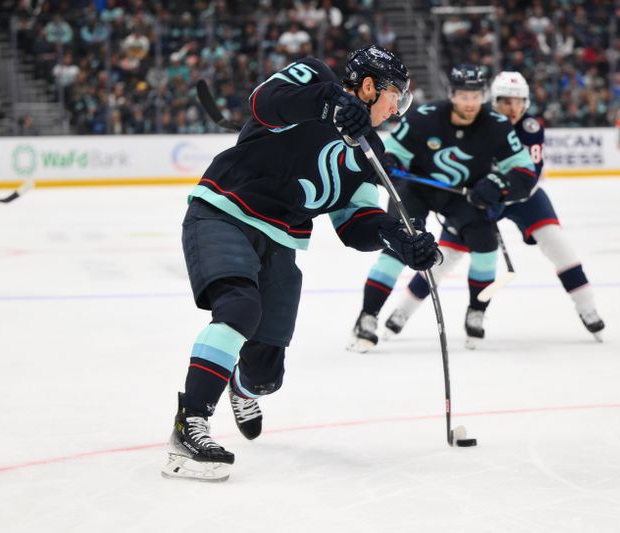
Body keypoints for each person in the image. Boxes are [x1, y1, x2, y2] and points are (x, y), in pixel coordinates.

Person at [163, 45, 438, 482]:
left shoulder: (370, 152)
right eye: (395, 95)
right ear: (369, 86)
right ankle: (189, 425)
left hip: (280, 240)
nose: (397, 108)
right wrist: (327, 104)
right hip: (222, 211)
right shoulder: (313, 78)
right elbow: (264, 103)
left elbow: (356, 224)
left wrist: (397, 240)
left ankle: (240, 386)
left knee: (266, 377)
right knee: (238, 307)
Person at [384, 71, 606, 347]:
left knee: (558, 245)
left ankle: (587, 307)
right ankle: (402, 311)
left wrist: (497, 188)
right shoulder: (478, 119)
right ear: (493, 100)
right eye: (505, 101)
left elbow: (529, 176)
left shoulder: (530, 128)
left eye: (518, 101)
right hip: (476, 198)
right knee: (446, 257)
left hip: (523, 199)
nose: (512, 108)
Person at [348, 64, 537, 353]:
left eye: (475, 96)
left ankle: (477, 309)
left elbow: (524, 172)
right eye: (463, 95)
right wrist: (393, 165)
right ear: (452, 95)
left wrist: (498, 185)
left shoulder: (496, 125)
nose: (470, 103)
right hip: (416, 192)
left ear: (483, 96)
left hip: (464, 196)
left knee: (485, 245)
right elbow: (392, 155)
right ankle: (368, 316)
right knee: (398, 246)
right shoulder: (426, 118)